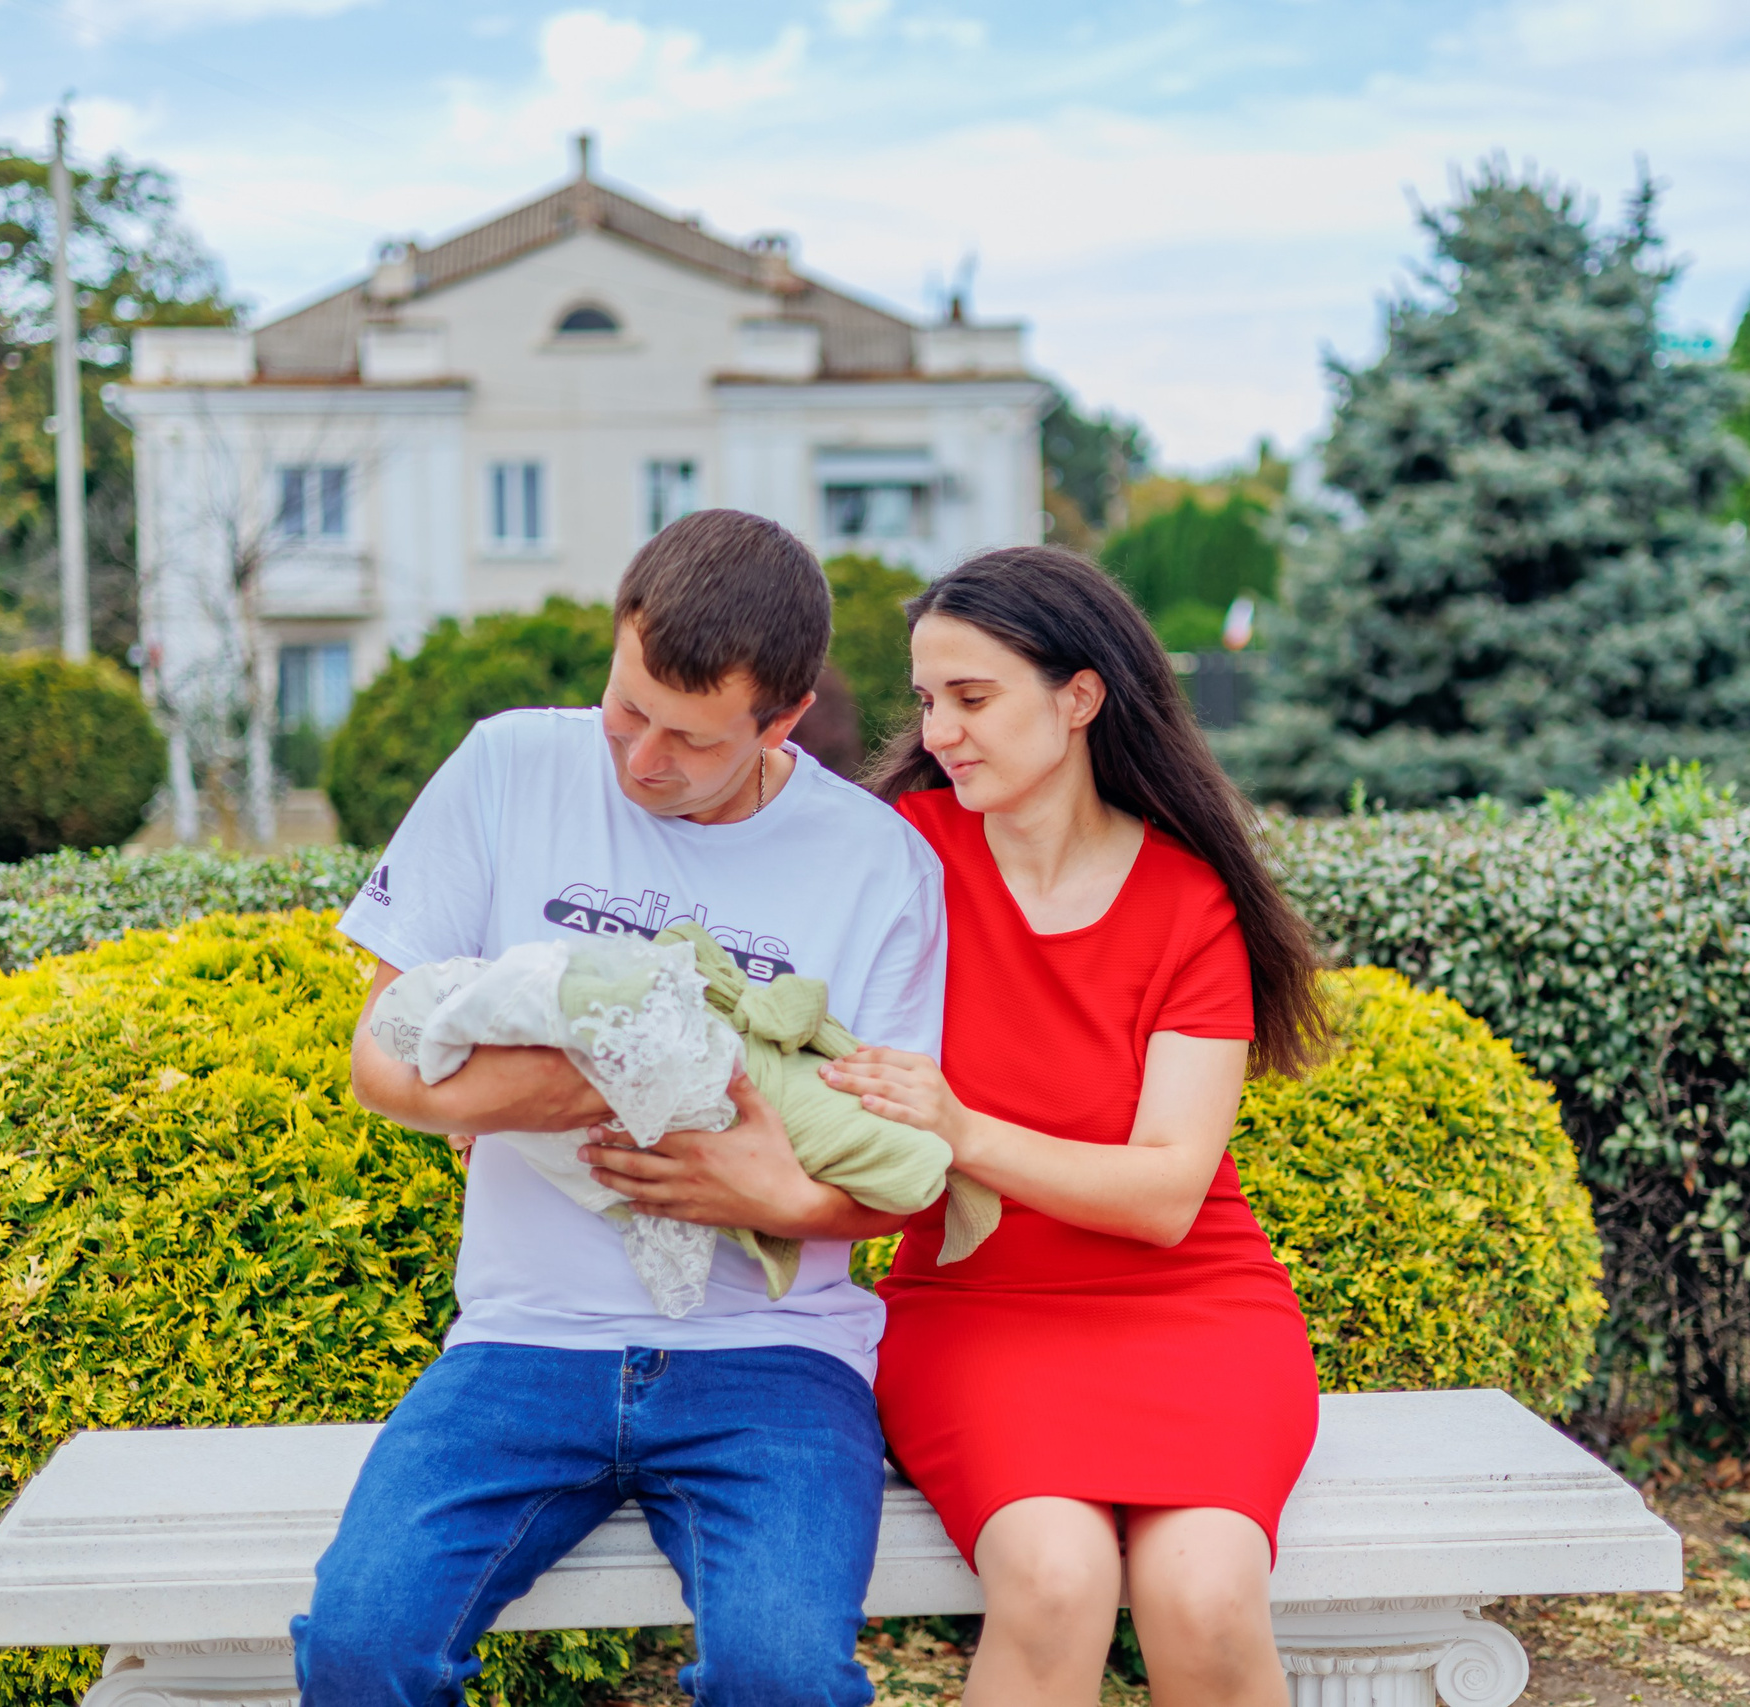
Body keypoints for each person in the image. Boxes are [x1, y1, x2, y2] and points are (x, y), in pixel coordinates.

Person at [295, 510, 945, 1707]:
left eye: (692, 741)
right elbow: (381, 1063)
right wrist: (606, 1082)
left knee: (784, 1680)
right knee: (361, 1645)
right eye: (625, 706)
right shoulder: (505, 768)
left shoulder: (879, 864)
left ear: (783, 721)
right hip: (522, 1340)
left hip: (774, 1360)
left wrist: (755, 1191)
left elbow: (890, 1175)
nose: (642, 759)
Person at [822, 546, 1326, 1707]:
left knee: (1203, 1598)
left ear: (1079, 697)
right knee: (1053, 1583)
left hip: (1195, 1310)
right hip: (976, 1311)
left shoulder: (1190, 900)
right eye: (926, 699)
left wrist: (961, 1129)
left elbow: (1163, 1195)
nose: (939, 729)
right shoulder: (903, 859)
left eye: (972, 697)